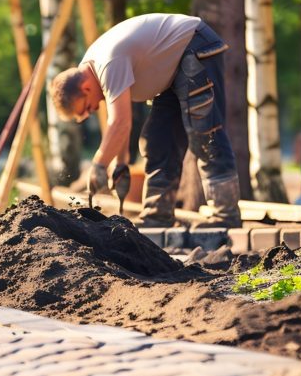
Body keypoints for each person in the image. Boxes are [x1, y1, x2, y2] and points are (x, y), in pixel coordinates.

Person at [48, 13, 242, 229]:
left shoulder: (107, 62)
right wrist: (120, 163)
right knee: (157, 140)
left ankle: (226, 216)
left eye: (85, 108)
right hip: (173, 69)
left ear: (85, 88)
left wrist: (99, 164)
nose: (90, 112)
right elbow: (120, 119)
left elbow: (120, 122)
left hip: (195, 47)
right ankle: (157, 216)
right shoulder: (94, 68)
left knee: (205, 133)